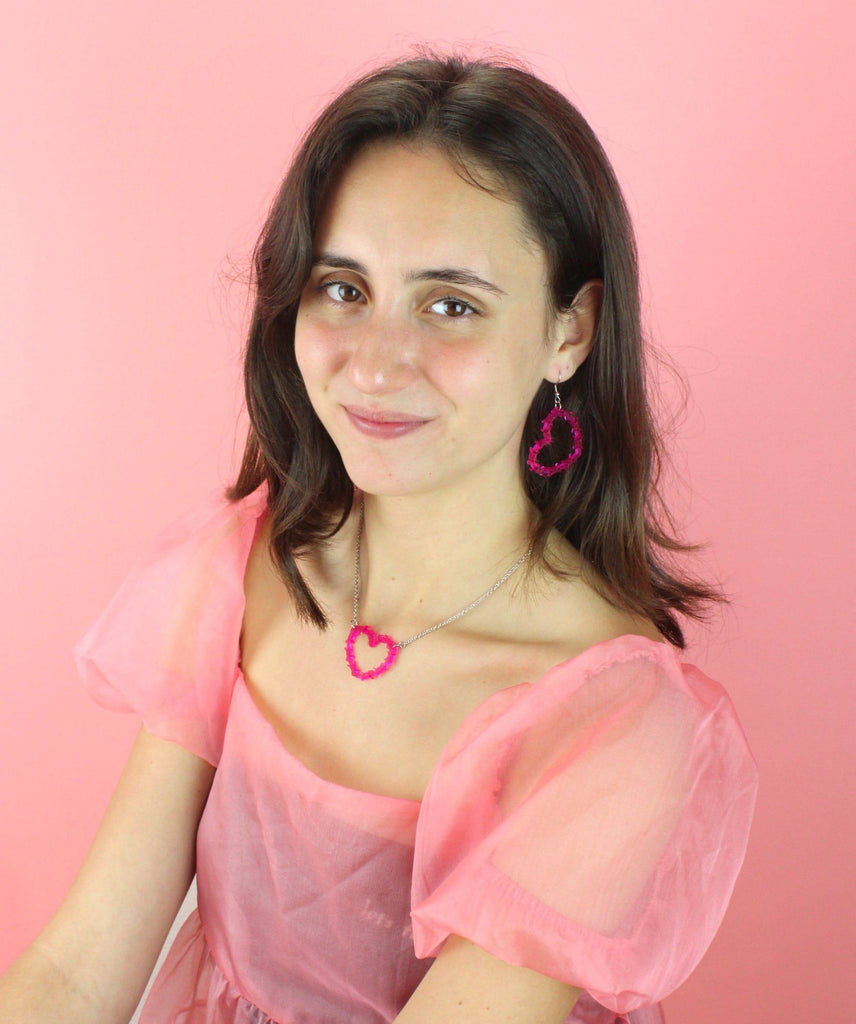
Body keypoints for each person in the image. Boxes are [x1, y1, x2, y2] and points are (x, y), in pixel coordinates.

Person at [0, 47, 759, 1024]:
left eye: (450, 304)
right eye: (343, 289)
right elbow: (74, 972)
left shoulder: (616, 718)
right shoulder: (239, 566)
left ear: (570, 330)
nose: (375, 361)